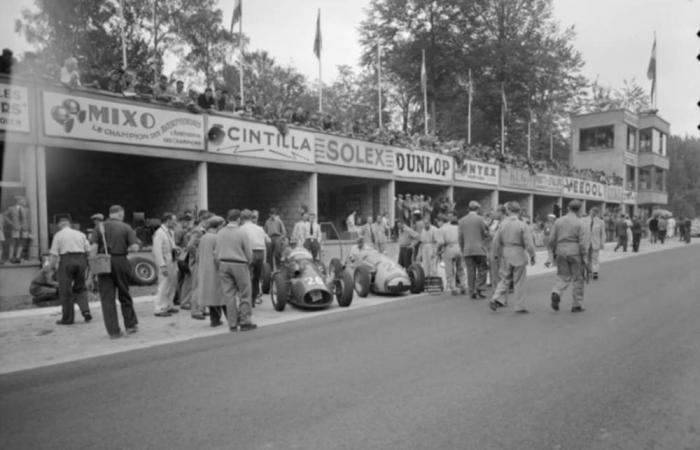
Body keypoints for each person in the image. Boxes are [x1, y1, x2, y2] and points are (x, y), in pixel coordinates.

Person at [90, 205, 140, 338]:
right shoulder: (126, 227)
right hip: (121, 261)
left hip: (103, 262)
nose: (123, 217)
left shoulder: (99, 227)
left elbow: (93, 248)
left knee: (107, 298)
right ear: (119, 214)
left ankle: (113, 332)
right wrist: (126, 248)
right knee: (124, 293)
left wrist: (93, 267)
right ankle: (131, 325)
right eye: (122, 215)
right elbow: (134, 248)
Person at [489, 201, 536, 313]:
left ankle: (495, 298)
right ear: (519, 211)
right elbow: (529, 243)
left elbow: (496, 241)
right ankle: (520, 306)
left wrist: (495, 254)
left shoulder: (502, 224)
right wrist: (532, 255)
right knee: (519, 281)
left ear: (508, 211)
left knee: (504, 278)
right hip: (519, 252)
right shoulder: (522, 224)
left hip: (506, 252)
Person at [215, 209, 256, 332]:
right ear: (238, 219)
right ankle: (245, 322)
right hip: (239, 264)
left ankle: (232, 324)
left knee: (229, 295)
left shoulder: (220, 232)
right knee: (245, 293)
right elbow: (248, 252)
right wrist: (249, 262)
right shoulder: (241, 233)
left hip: (223, 263)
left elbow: (216, 251)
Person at [49, 217, 92, 324]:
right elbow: (88, 250)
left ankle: (68, 318)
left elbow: (54, 255)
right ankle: (85, 311)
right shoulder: (81, 234)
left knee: (65, 290)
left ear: (60, 225)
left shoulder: (58, 235)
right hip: (81, 260)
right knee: (80, 287)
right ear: (69, 224)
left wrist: (51, 268)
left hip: (66, 260)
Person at [549, 200, 587, 313]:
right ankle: (577, 304)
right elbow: (583, 242)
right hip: (575, 252)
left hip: (561, 251)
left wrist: (553, 252)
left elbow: (551, 239)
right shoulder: (580, 223)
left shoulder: (558, 221)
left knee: (563, 276)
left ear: (568, 208)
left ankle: (556, 292)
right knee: (578, 278)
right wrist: (584, 256)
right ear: (579, 210)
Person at [197, 216, 227, 327]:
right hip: (215, 271)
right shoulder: (216, 238)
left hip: (205, 270)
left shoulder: (204, 237)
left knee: (211, 296)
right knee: (223, 296)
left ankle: (215, 320)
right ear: (218, 226)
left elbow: (198, 255)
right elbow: (217, 256)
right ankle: (232, 318)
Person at [458, 201, 489, 299]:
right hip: (479, 249)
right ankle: (479, 287)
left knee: (470, 271)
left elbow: (460, 237)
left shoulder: (462, 220)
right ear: (478, 209)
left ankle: (471, 291)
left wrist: (463, 249)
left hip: (467, 249)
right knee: (482, 269)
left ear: (469, 209)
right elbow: (485, 233)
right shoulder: (480, 219)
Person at [152, 212, 180, 317]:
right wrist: (162, 265)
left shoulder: (170, 232)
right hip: (165, 260)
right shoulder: (159, 233)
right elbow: (157, 250)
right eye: (174, 220)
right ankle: (159, 308)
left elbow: (171, 245)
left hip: (172, 260)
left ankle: (168, 304)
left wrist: (176, 249)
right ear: (168, 220)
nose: (175, 222)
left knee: (172, 284)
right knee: (164, 284)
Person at [241, 209, 269, 305]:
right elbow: (267, 242)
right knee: (256, 278)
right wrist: (264, 259)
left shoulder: (242, 228)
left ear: (242, 218)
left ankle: (247, 300)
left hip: (249, 252)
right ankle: (253, 299)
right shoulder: (259, 228)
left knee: (247, 277)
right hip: (260, 253)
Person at [436, 213, 465, 295]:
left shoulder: (441, 229)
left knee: (449, 269)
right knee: (460, 268)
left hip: (449, 247)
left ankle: (453, 287)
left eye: (438, 222)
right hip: (458, 246)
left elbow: (441, 242)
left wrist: (438, 251)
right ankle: (463, 285)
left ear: (441, 221)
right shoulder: (456, 227)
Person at [4, 195, 31, 263]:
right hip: (15, 227)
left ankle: (18, 257)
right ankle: (10, 257)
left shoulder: (27, 210)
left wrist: (28, 228)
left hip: (24, 228)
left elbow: (28, 219)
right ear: (18, 201)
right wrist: (11, 223)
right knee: (12, 243)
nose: (25, 202)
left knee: (21, 243)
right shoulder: (11, 208)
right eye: (23, 201)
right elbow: (4, 215)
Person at [581, 207, 605, 280]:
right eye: (592, 211)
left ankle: (595, 272)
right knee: (585, 258)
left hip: (595, 242)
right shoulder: (583, 220)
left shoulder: (601, 222)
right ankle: (586, 271)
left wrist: (602, 243)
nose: (594, 212)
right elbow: (580, 232)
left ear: (597, 213)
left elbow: (603, 234)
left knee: (595, 258)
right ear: (589, 211)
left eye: (596, 211)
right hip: (585, 242)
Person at [487, 205, 506, 288]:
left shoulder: (504, 222)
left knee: (501, 270)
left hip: (501, 249)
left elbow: (501, 236)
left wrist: (491, 233)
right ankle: (496, 286)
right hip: (493, 248)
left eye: (495, 212)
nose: (494, 214)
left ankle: (499, 289)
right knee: (494, 269)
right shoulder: (495, 222)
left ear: (500, 212)